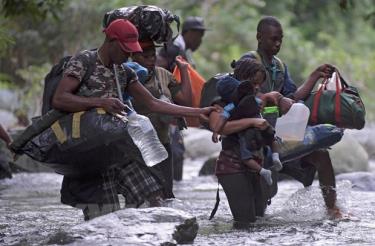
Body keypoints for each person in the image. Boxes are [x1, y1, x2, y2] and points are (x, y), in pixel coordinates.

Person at [52, 19, 215, 220]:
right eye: (124, 49)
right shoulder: (83, 62)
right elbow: (60, 99)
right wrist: (99, 103)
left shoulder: (125, 72)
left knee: (154, 198)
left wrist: (197, 112)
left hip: (119, 150)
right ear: (111, 41)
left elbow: (153, 103)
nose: (128, 55)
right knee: (102, 217)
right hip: (88, 154)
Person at [239, 16, 341, 218]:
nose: (278, 44)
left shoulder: (279, 66)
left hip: (279, 135)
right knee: (256, 214)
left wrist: (315, 75)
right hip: (253, 137)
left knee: (321, 154)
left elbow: (293, 97)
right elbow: (238, 96)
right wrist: (272, 98)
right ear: (259, 37)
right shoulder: (247, 61)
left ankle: (332, 209)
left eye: (280, 39)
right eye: (273, 39)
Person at [131, 38, 193, 198]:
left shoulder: (163, 74)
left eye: (153, 56)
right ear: (134, 57)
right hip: (136, 146)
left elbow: (186, 101)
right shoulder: (126, 76)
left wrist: (184, 70)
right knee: (142, 195)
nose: (151, 60)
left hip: (162, 143)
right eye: (146, 56)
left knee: (166, 192)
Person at [211, 59, 283, 186]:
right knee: (245, 206)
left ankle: (274, 159)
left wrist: (274, 102)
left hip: (257, 161)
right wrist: (252, 122)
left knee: (260, 205)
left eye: (259, 84)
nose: (257, 88)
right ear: (241, 79)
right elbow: (223, 128)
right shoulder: (222, 103)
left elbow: (268, 118)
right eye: (254, 83)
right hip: (233, 167)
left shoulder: (254, 101)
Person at [157, 16, 208, 181]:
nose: (200, 41)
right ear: (189, 33)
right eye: (199, 35)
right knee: (174, 152)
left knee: (176, 152)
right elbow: (160, 73)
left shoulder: (180, 50)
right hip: (167, 110)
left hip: (175, 111)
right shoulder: (173, 50)